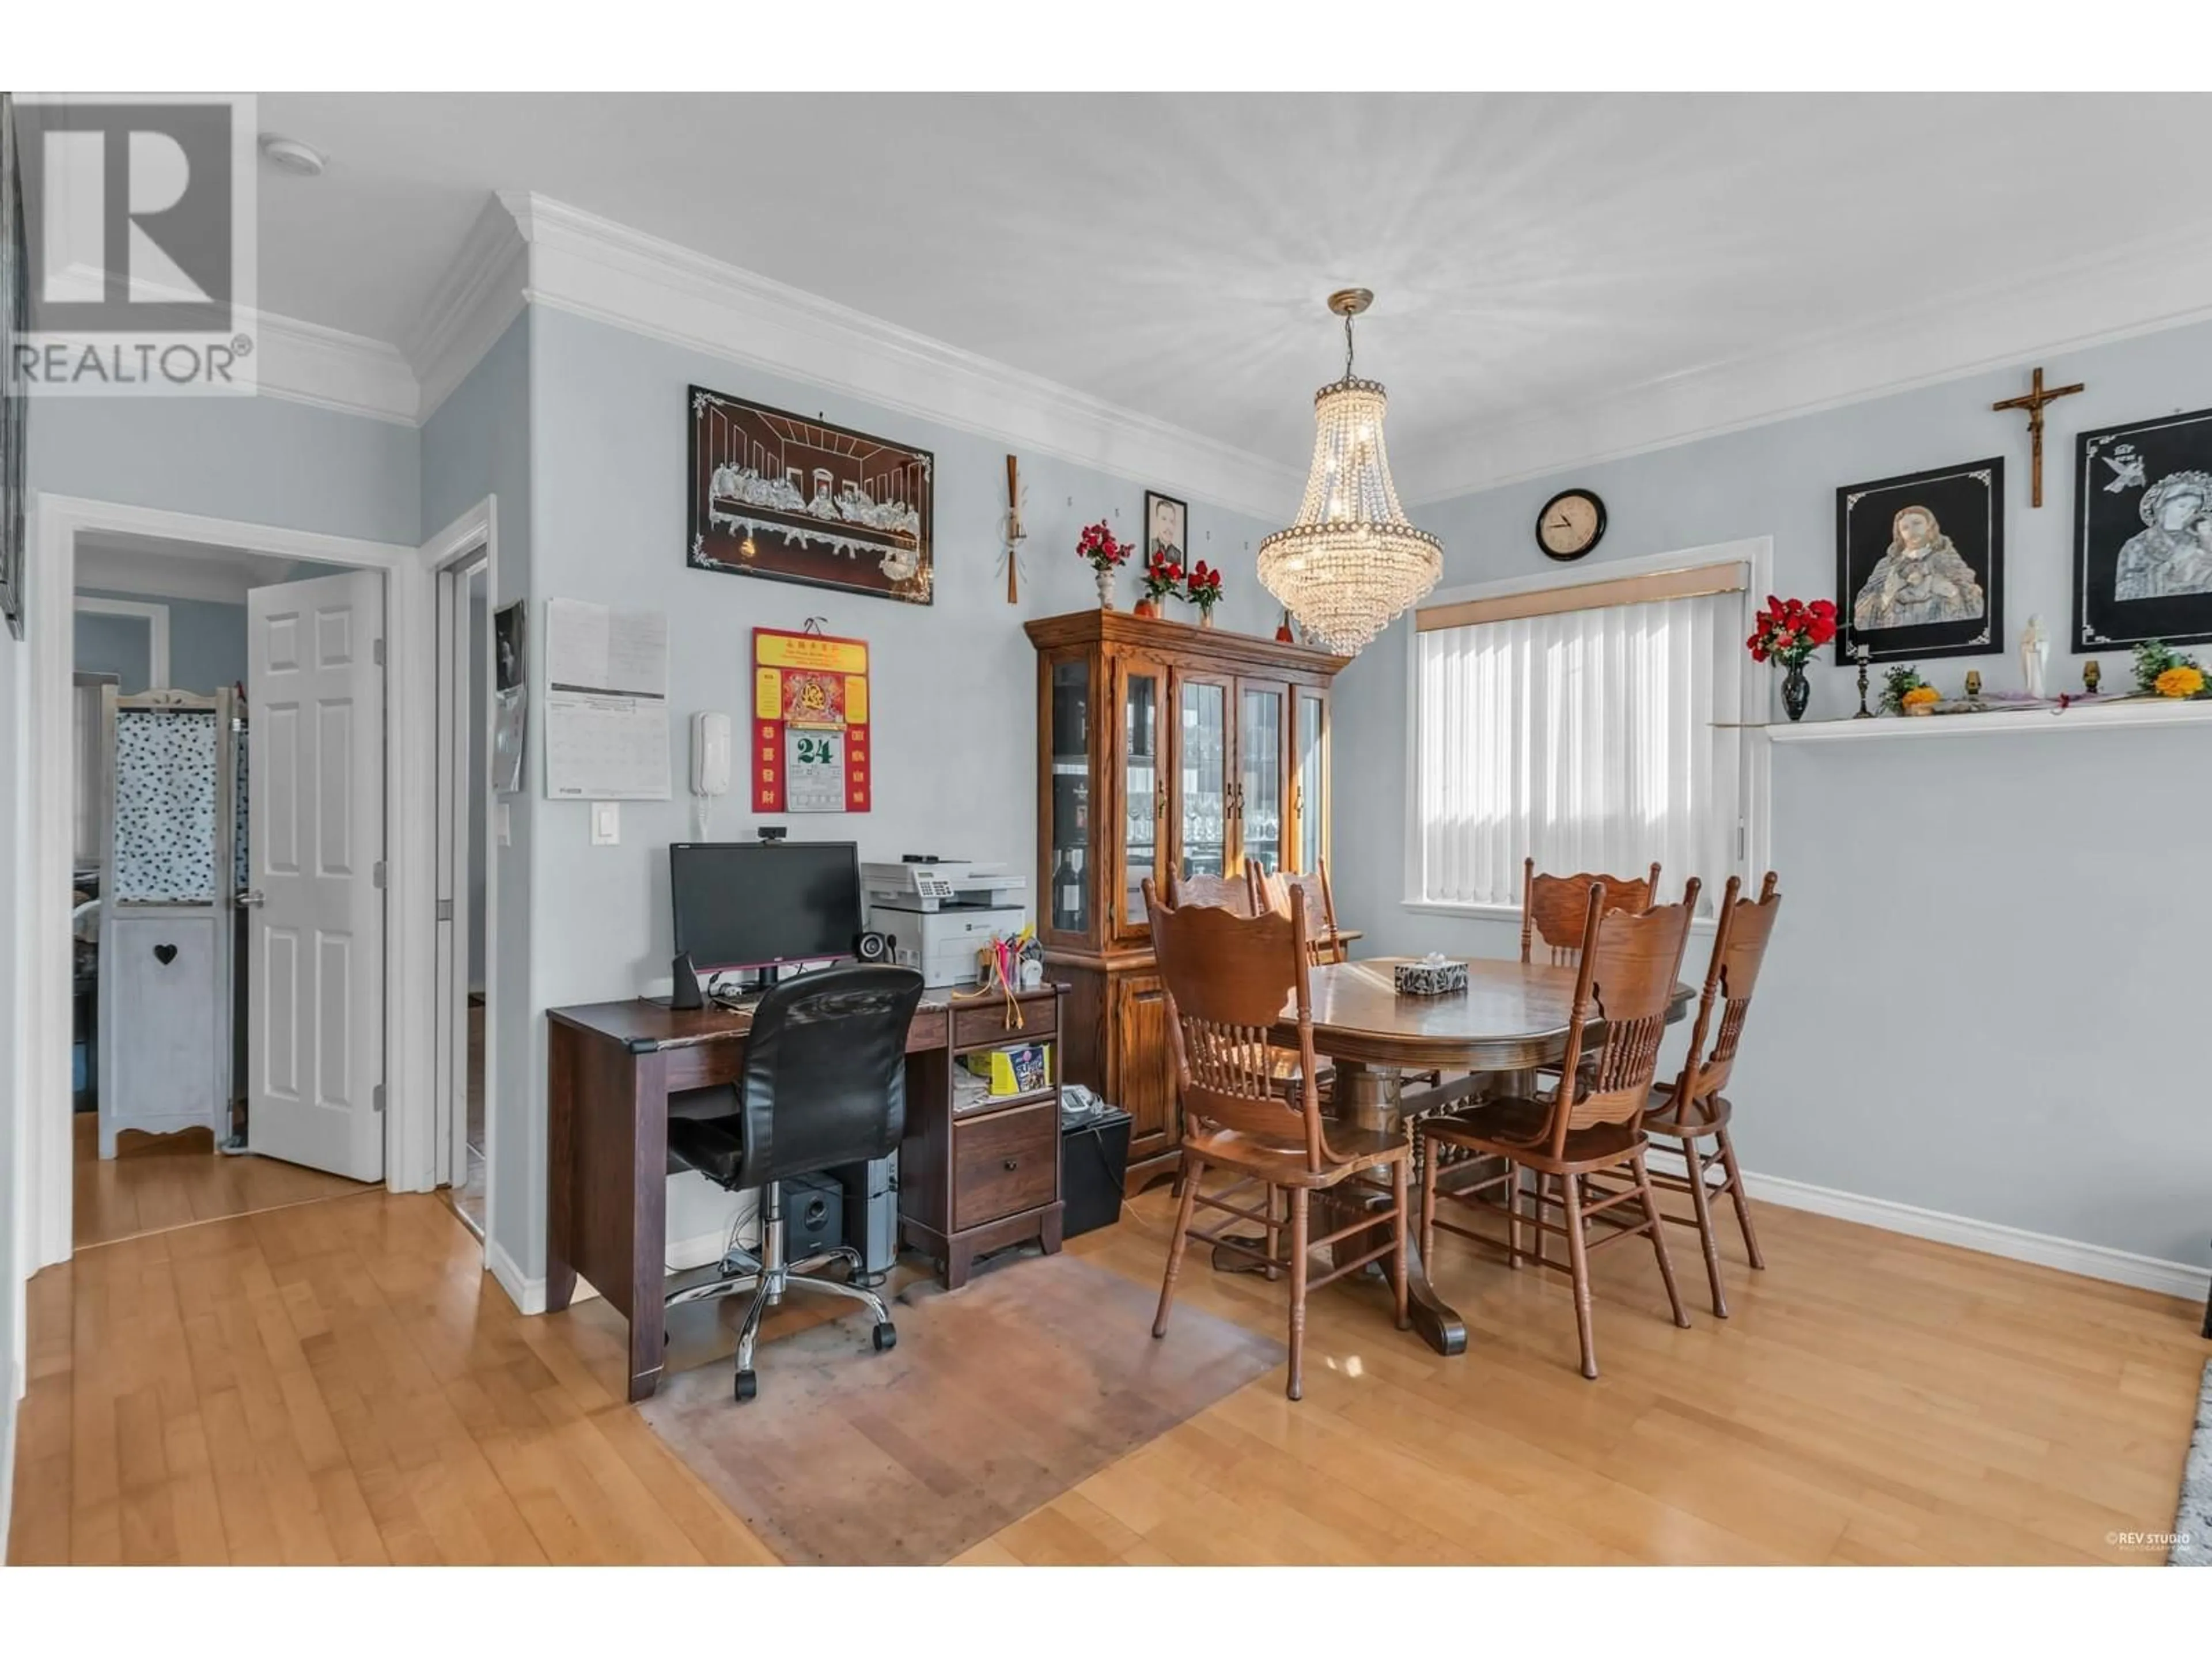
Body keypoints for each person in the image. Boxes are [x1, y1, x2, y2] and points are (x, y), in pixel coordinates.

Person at [1853, 504, 1986, 632]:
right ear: (1899, 533)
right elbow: (1861, 615)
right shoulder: (1887, 565)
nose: (1912, 531)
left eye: (1917, 523)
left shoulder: (1947, 559)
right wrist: (1887, 596)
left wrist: (1952, 592)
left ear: (1929, 526)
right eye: (1905, 528)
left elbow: (1974, 606)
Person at [2114, 470, 2212, 601]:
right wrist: (2171, 569)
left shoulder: (2199, 541)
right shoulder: (2138, 545)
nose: (2188, 513)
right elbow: (2127, 592)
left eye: (2194, 509)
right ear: (2163, 507)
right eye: (2182, 506)